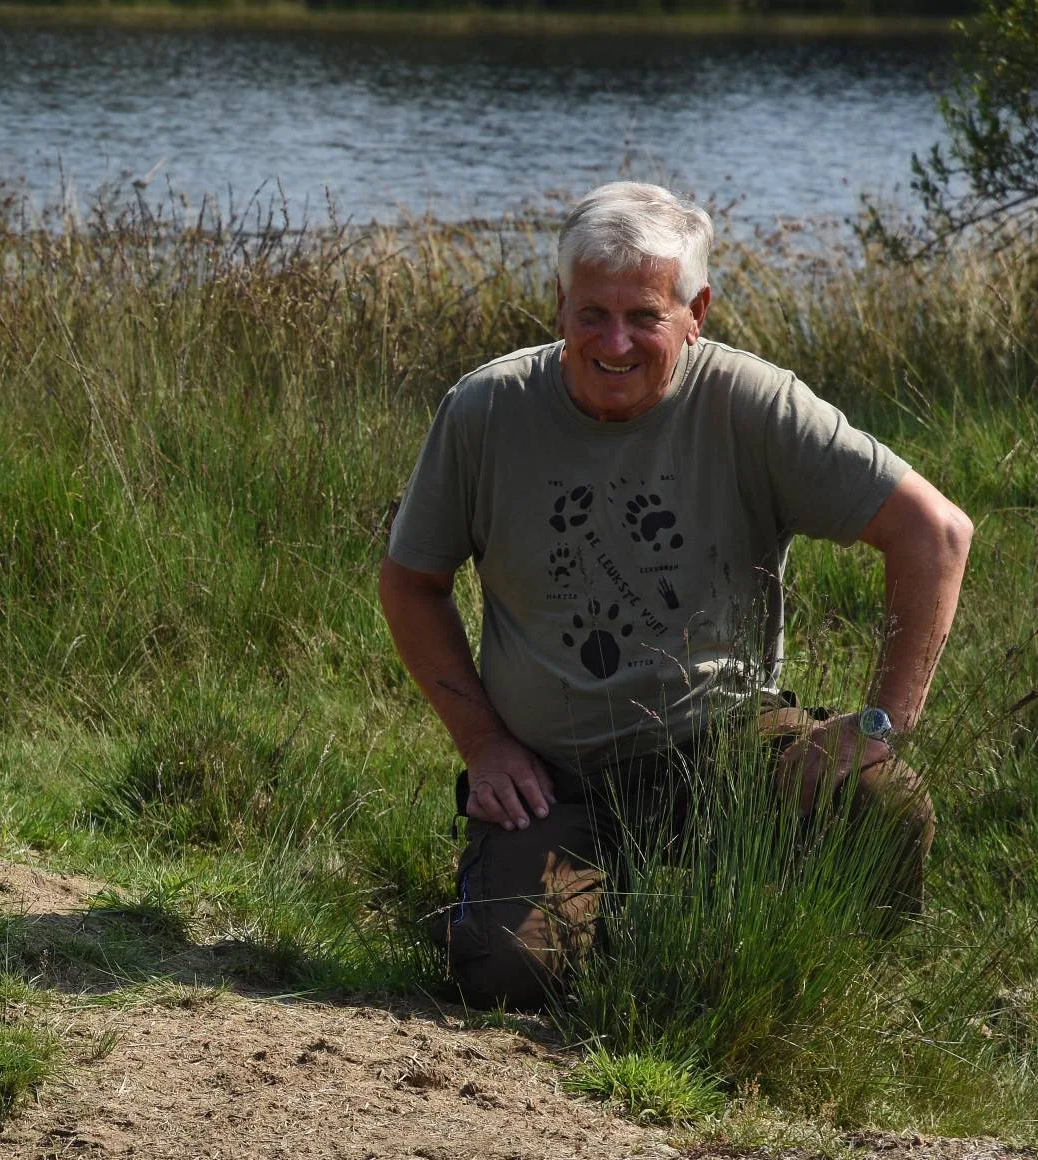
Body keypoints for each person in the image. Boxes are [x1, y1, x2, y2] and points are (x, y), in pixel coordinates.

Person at [377, 181, 974, 1010]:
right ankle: (619, 909)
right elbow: (411, 583)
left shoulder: (753, 403)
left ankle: (835, 996)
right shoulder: (486, 411)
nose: (614, 341)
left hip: (724, 747)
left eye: (645, 316)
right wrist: (483, 744)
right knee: (512, 973)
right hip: (554, 776)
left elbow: (936, 534)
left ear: (696, 311)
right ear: (558, 304)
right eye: (593, 312)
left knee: (880, 803)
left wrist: (875, 728)